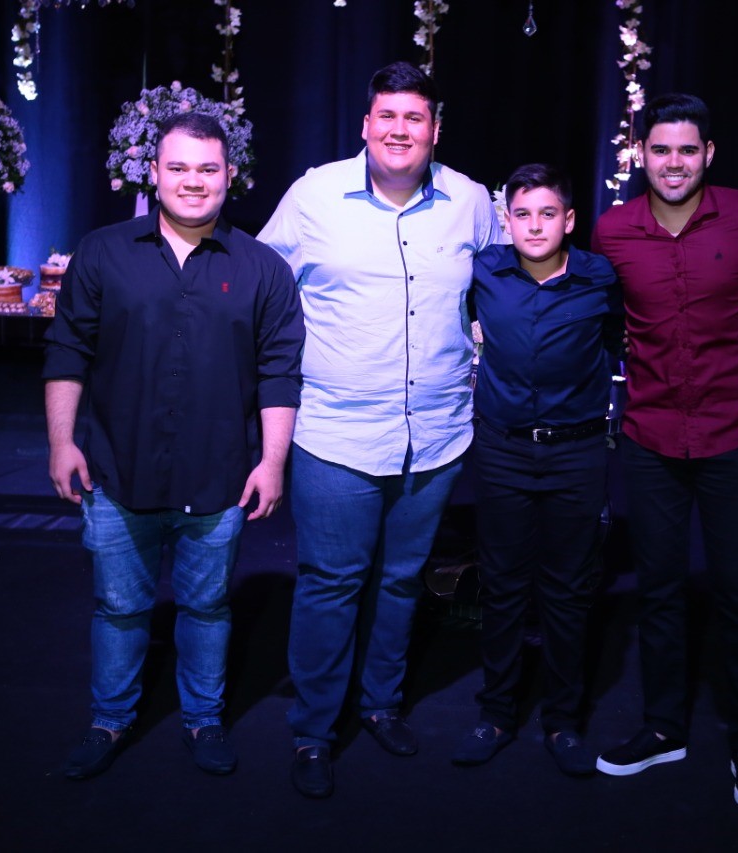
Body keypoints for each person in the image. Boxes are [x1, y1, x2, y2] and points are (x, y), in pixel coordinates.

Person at [257, 60, 501, 799]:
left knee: (400, 581)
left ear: (435, 130)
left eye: (414, 118)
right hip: (336, 433)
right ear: (366, 124)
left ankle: (381, 703)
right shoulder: (314, 195)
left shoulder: (470, 202)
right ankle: (313, 729)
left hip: (436, 435)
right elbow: (264, 289)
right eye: (387, 116)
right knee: (331, 584)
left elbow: (498, 289)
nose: (400, 130)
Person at [43, 111, 305, 780]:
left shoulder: (263, 268)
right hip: (115, 471)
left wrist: (273, 461)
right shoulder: (102, 252)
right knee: (119, 609)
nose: (194, 180)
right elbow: (68, 351)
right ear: (154, 173)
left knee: (208, 608)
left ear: (230, 176)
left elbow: (280, 372)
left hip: (219, 477)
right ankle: (109, 720)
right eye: (179, 167)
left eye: (208, 168)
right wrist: (61, 443)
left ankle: (203, 719)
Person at [590, 93, 738, 810]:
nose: (674, 163)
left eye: (687, 150)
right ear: (643, 154)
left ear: (708, 154)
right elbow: (606, 314)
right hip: (651, 438)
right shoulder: (613, 229)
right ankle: (664, 727)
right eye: (661, 149)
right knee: (660, 588)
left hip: (734, 433)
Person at [449, 163, 622, 776]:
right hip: (502, 450)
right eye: (522, 214)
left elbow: (622, 340)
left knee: (569, 589)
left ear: (569, 220)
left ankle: (563, 721)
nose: (535, 225)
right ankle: (496, 713)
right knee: (501, 585)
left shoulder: (600, 277)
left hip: (577, 452)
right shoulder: (485, 271)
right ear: (507, 220)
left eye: (548, 213)